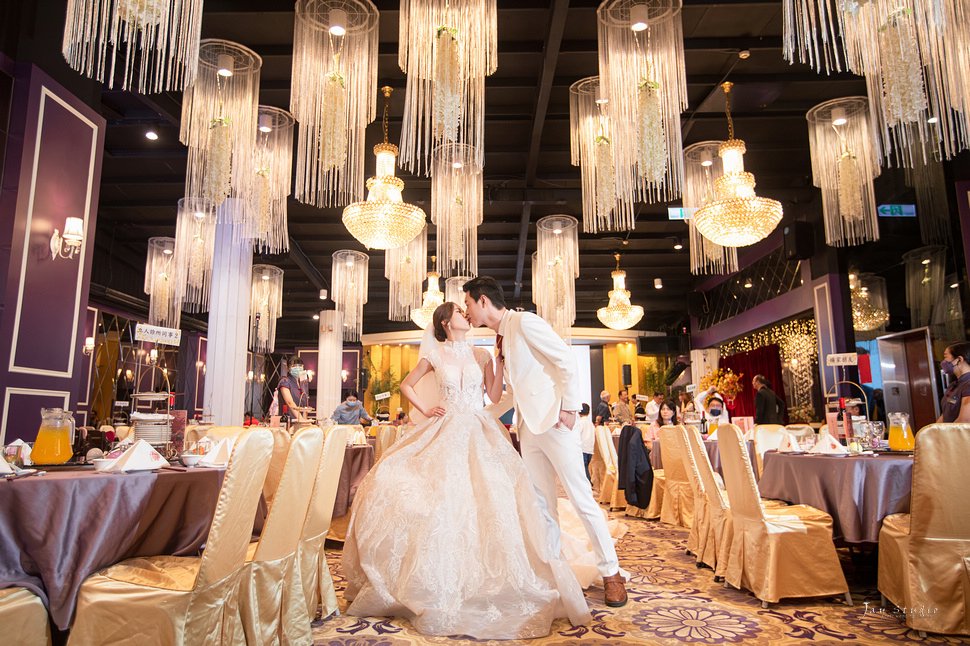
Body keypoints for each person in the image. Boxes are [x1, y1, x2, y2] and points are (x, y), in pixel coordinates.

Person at [342, 302, 590, 639]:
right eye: (460, 312)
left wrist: (499, 363)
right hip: (444, 427)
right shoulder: (435, 356)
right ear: (446, 322)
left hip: (477, 427)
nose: (467, 315)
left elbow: (492, 394)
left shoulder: (481, 355)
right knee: (421, 490)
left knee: (491, 494)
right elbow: (406, 385)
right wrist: (426, 408)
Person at [464, 276, 627, 608]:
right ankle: (556, 573)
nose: (466, 311)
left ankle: (611, 573)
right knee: (542, 506)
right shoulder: (501, 339)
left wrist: (569, 407)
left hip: (555, 423)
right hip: (528, 429)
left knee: (581, 498)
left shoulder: (525, 322)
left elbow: (565, 360)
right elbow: (515, 392)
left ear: (482, 301)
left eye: (467, 303)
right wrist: (480, 414)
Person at [938, 342, 970, 423]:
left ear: (959, 359)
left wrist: (943, 434)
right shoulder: (954, 385)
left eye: (945, 357)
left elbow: (964, 420)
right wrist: (931, 432)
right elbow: (944, 415)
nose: (943, 362)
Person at [278, 356, 309, 423]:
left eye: (300, 366)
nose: (298, 368)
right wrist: (301, 419)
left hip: (300, 422)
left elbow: (304, 406)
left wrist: (305, 421)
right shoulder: (285, 381)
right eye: (294, 366)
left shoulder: (302, 383)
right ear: (288, 368)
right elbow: (290, 402)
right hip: (287, 421)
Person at [577, 403, 596, 482]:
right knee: (586, 467)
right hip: (590, 449)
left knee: (583, 468)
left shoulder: (580, 422)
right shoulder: (590, 423)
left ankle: (588, 483)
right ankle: (587, 482)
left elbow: (577, 435)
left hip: (582, 448)